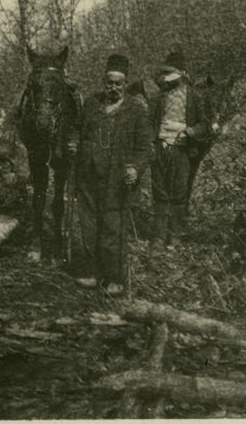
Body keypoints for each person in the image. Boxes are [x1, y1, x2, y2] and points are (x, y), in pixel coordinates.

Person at [69, 53, 152, 295]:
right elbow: (76, 129)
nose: (113, 88)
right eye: (109, 83)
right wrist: (74, 142)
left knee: (113, 228)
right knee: (89, 226)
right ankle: (94, 273)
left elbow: (146, 148)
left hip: (116, 180)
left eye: (118, 83)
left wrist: (135, 168)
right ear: (103, 82)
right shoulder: (91, 104)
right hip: (88, 176)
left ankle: (114, 278)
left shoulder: (135, 110)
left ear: (125, 84)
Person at [147, 50, 212, 244]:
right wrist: (151, 142)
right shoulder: (159, 97)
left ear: (181, 74)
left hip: (182, 149)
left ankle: (175, 234)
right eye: (165, 74)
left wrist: (190, 132)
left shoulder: (193, 96)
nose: (167, 78)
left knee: (179, 191)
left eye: (171, 73)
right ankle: (159, 235)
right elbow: (150, 122)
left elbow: (205, 125)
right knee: (160, 191)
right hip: (161, 147)